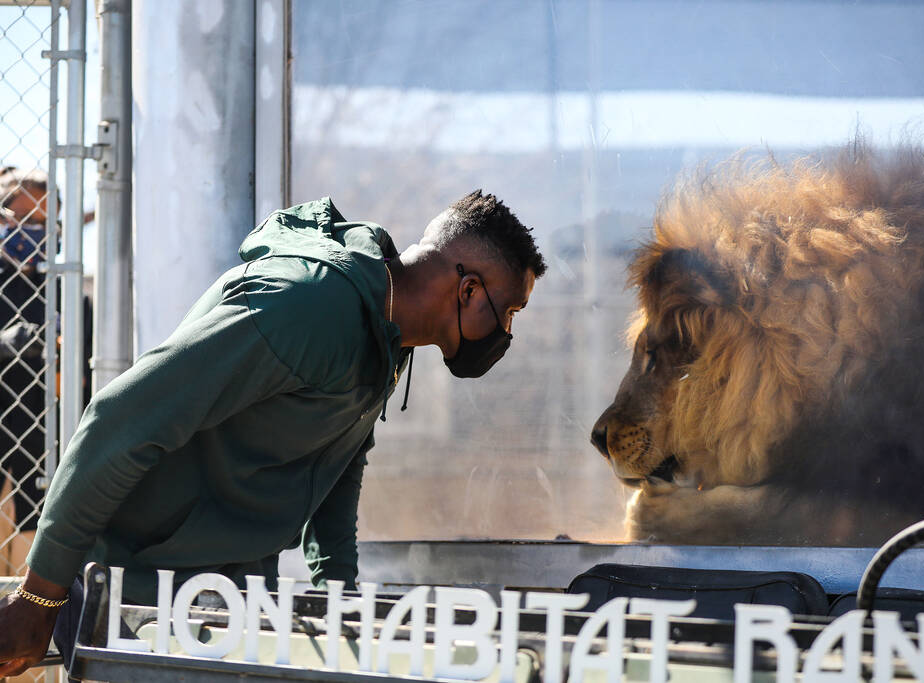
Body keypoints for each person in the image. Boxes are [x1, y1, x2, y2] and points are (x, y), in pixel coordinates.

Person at [0, 190, 546, 677]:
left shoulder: (386, 335)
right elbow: (120, 421)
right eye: (510, 312)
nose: (506, 333)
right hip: (133, 596)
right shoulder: (307, 306)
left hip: (215, 599)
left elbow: (338, 468)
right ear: (470, 290)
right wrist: (39, 596)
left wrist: (341, 603)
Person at [0, 167, 51, 578]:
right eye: (23, 219)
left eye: (43, 222)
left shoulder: (60, 285)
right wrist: (8, 343)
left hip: (39, 429)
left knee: (34, 520)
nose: (34, 232)